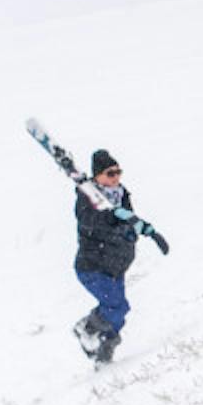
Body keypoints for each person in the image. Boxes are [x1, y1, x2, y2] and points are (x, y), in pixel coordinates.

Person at [72, 149, 168, 363]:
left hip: (115, 266)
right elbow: (90, 223)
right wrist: (115, 225)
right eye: (110, 173)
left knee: (118, 313)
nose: (115, 177)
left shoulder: (121, 195)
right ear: (97, 176)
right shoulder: (87, 198)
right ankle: (85, 328)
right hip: (93, 266)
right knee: (117, 306)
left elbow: (130, 219)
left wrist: (147, 232)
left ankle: (103, 354)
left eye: (118, 172)